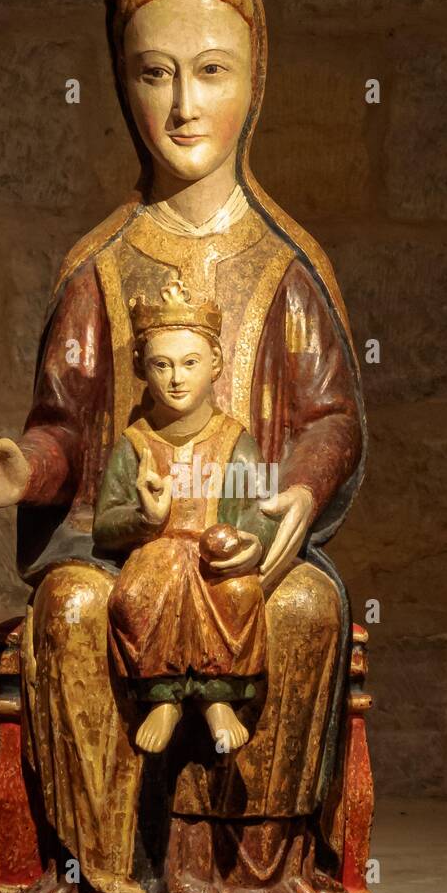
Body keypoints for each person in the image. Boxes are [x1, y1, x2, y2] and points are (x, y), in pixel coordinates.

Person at [0, 0, 368, 893]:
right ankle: (104, 885)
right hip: (123, 535)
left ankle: (256, 884)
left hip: (242, 537)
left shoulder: (287, 266)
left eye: (213, 69)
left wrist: (296, 496)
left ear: (256, 77)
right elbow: (65, 425)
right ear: (118, 78)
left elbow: (330, 416)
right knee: (76, 610)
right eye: (154, 70)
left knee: (306, 609)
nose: (184, 104)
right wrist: (23, 467)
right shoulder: (100, 264)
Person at [94, 279, 277, 756]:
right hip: (157, 554)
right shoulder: (135, 445)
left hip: (215, 557)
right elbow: (104, 524)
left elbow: (262, 508)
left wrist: (250, 540)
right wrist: (146, 518)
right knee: (135, 594)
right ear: (142, 369)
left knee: (239, 594)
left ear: (215, 365)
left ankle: (218, 699)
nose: (177, 378)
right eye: (162, 365)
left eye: (190, 363)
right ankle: (164, 697)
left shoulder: (235, 442)